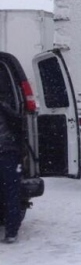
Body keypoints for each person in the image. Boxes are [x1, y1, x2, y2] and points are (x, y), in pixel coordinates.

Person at [0, 99, 23, 243]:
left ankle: (12, 231)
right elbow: (19, 122)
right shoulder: (4, 106)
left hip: (7, 151)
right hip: (8, 152)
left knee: (11, 192)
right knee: (11, 192)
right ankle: (11, 232)